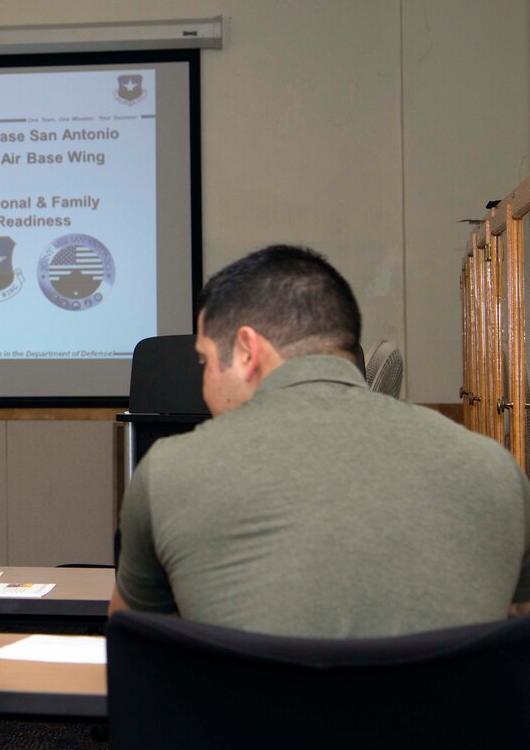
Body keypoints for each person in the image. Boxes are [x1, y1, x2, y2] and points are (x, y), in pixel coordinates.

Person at [111, 244, 530, 637]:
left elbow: (135, 647)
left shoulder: (168, 472)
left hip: (238, 715)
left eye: (204, 361)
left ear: (245, 350)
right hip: (447, 716)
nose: (204, 385)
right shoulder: (495, 469)